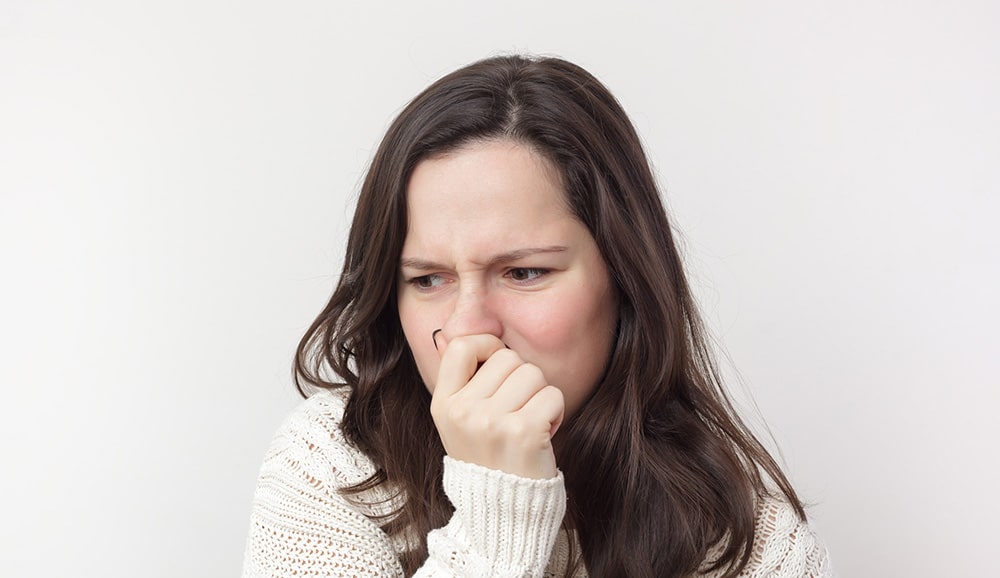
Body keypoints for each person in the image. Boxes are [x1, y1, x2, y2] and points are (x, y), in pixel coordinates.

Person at [242, 55, 832, 577]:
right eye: (427, 280)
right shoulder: (329, 467)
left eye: (524, 273)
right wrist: (501, 512)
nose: (471, 328)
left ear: (624, 279)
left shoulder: (748, 544)